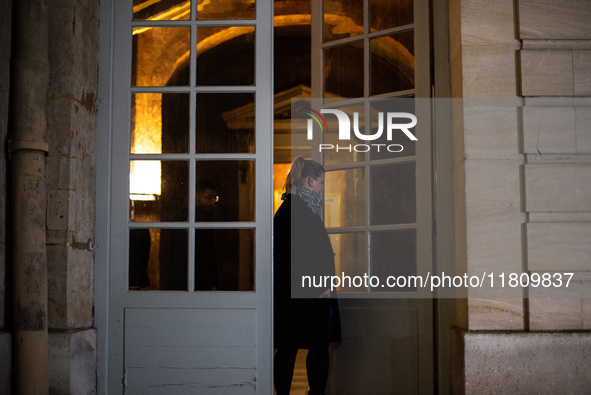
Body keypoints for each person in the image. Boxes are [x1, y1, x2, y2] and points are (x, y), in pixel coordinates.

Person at [274, 156, 341, 395]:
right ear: (310, 180)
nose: (322, 189)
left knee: (289, 347)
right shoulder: (296, 211)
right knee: (314, 346)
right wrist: (320, 284)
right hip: (308, 292)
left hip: (296, 292)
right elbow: (300, 254)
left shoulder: (294, 209)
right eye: (321, 183)